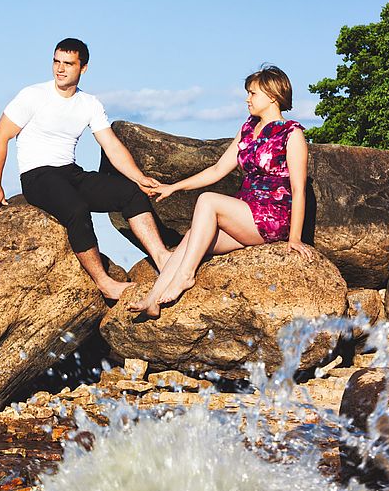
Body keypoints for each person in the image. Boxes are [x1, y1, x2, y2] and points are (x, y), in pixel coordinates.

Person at [0, 38, 170, 300]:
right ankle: (105, 283)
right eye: (56, 61)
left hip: (70, 172)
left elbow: (112, 146)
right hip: (37, 175)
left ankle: (162, 259)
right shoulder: (33, 95)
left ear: (83, 68)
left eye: (68, 64)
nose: (60, 69)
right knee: (77, 210)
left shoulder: (89, 104)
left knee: (130, 192)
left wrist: (139, 178)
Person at [128, 65, 313, 318]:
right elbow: (217, 169)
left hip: (272, 218)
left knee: (208, 200)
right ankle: (152, 299)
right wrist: (174, 187)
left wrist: (295, 238)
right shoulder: (249, 128)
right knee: (194, 235)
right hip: (246, 213)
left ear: (272, 96)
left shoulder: (291, 134)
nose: (247, 99)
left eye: (253, 93)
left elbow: (298, 190)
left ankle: (186, 276)